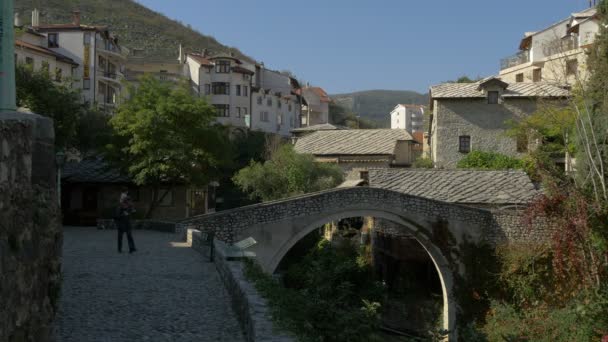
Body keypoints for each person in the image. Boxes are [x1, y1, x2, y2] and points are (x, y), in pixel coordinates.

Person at [115, 187, 137, 254]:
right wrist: (123, 214)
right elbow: (116, 216)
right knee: (120, 237)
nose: (128, 202)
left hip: (127, 222)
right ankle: (120, 249)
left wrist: (131, 211)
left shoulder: (129, 205)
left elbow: (133, 211)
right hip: (121, 223)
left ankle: (131, 248)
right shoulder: (120, 206)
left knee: (129, 235)